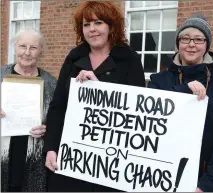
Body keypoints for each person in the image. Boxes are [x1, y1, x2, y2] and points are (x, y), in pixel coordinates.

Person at [44, 1, 145, 192]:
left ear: (111, 26)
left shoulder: (129, 60)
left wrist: (99, 88)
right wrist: (51, 148)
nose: (92, 30)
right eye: (86, 24)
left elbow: (135, 111)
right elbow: (58, 106)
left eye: (98, 23)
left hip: (110, 161)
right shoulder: (73, 58)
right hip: (73, 157)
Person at [147, 13, 213, 192]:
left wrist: (208, 185)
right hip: (160, 177)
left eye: (198, 39)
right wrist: (184, 91)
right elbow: (151, 119)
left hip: (206, 180)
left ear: (206, 45)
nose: (191, 44)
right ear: (178, 43)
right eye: (185, 38)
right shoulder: (158, 80)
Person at [1, 28, 57, 192]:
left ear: (41, 51)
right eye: (22, 46)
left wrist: (49, 130)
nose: (27, 52)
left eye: (33, 48)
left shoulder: (52, 84)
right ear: (15, 48)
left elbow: (58, 121)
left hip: (34, 164)